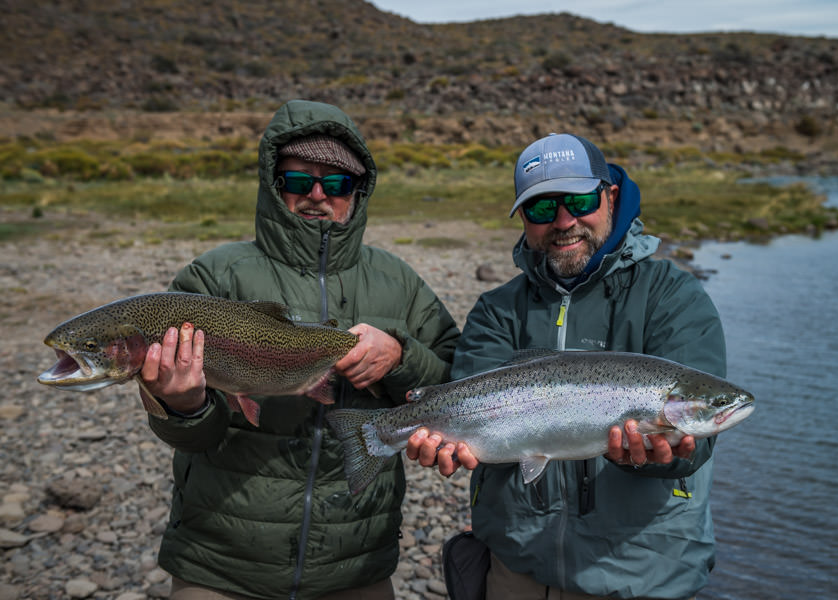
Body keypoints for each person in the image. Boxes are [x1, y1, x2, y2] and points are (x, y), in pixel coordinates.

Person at [138, 100, 460, 599]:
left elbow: (455, 386)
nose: (316, 195)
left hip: (356, 564)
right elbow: (196, 438)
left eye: (335, 184)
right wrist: (183, 405)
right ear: (273, 185)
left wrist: (399, 356)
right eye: (297, 181)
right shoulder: (213, 278)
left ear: (357, 191)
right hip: (221, 564)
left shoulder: (401, 283)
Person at [408, 133, 726, 599]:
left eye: (578, 200)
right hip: (516, 569)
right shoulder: (498, 310)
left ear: (610, 196)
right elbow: (468, 414)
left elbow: (696, 442)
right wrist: (444, 440)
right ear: (522, 218)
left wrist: (666, 455)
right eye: (541, 209)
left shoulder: (672, 297)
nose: (564, 221)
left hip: (642, 576)